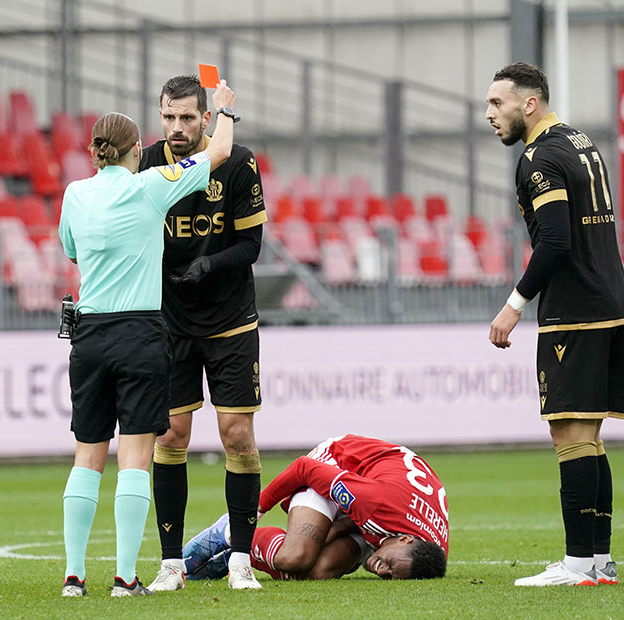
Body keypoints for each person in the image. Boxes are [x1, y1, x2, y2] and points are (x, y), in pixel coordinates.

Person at [58, 81, 236, 598]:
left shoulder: (75, 193)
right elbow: (220, 151)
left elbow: (72, 251)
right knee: (135, 456)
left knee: (86, 455)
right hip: (139, 330)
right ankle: (125, 577)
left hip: (89, 333)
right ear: (137, 150)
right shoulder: (152, 182)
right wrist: (223, 109)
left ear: (94, 151)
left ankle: (74, 577)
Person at [486, 62, 621, 587]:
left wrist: (514, 304)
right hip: (610, 299)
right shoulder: (583, 142)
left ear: (529, 104)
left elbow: (557, 242)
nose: (489, 115)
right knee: (590, 435)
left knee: (569, 432)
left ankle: (576, 563)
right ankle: (599, 561)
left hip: (577, 309)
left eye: (498, 104)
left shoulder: (539, 157)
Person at [139, 74, 267, 591]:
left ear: (207, 119)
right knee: (170, 435)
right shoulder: (146, 162)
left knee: (236, 435)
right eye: (168, 117)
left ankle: (240, 560)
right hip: (169, 324)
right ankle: (172, 564)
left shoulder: (238, 162)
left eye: (187, 117)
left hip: (230, 321)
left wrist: (209, 266)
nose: (176, 127)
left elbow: (252, 244)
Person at [183, 435, 448, 581]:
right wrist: (256, 509)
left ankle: (239, 558)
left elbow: (379, 527)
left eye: (389, 577)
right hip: (335, 465)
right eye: (390, 563)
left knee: (318, 572)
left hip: (368, 503)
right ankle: (230, 533)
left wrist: (333, 533)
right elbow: (304, 469)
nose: (382, 570)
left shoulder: (431, 555)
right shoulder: (376, 504)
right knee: (296, 557)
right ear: (405, 539)